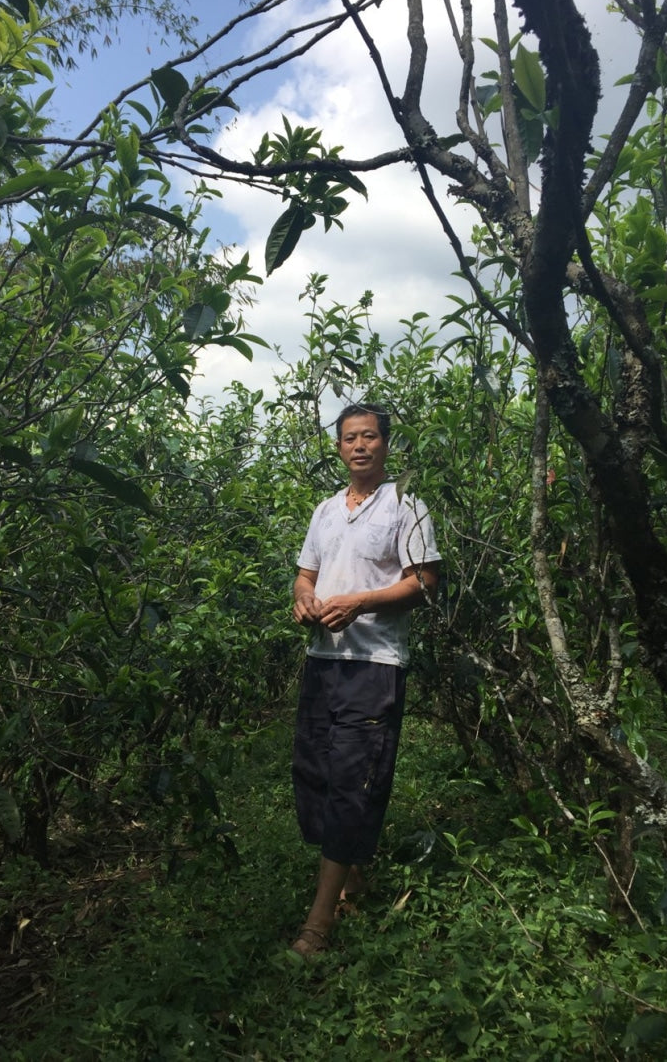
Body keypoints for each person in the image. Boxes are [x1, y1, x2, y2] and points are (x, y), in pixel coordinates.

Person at [290, 402, 441, 956]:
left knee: (353, 779)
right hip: (323, 661)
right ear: (338, 447)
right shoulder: (326, 511)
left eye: (370, 436)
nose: (360, 446)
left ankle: (318, 922)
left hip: (374, 664)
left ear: (385, 444)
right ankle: (352, 875)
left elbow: (424, 582)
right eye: (350, 437)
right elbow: (305, 576)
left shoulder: (407, 505)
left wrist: (361, 602)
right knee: (314, 774)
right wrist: (305, 601)